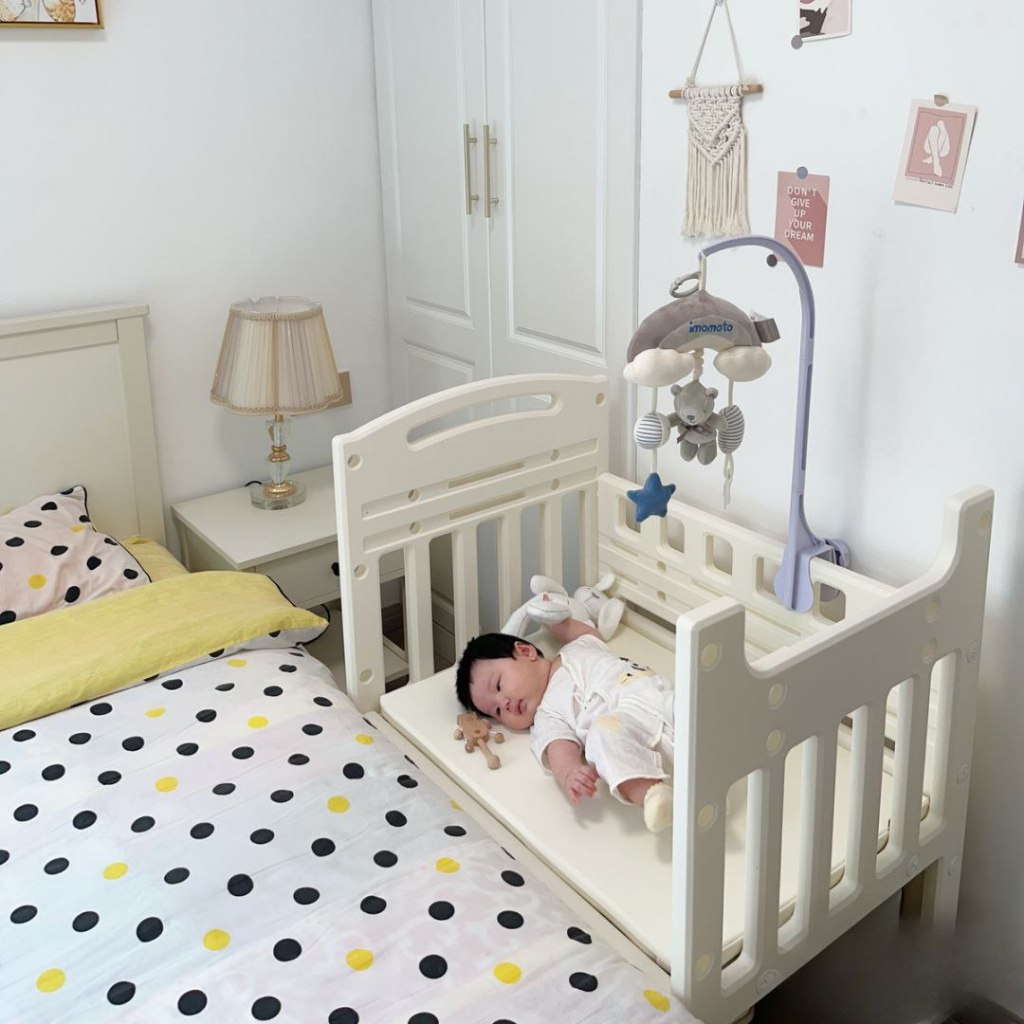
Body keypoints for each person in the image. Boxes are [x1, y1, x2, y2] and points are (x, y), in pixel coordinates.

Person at [455, 611, 674, 833]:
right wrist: (569, 773)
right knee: (600, 737)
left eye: (499, 685)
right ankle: (652, 795)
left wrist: (549, 615)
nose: (505, 704)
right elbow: (559, 749)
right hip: (627, 728)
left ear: (525, 651)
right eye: (497, 711)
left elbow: (588, 633)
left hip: (663, 697)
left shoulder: (576, 648)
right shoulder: (546, 716)